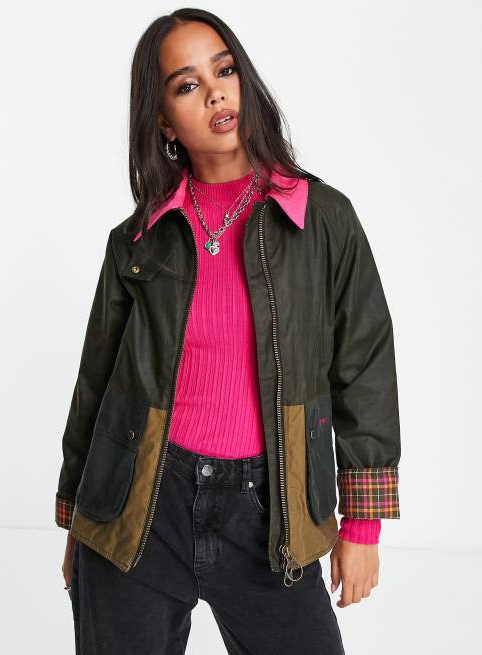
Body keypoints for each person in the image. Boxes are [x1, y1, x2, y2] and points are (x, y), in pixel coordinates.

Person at [55, 7, 401, 654]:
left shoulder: (321, 220)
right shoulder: (137, 239)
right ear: (164, 122)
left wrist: (363, 525)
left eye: (225, 70)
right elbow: (95, 385)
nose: (215, 92)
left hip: (270, 511)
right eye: (187, 85)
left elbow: (364, 367)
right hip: (139, 506)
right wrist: (80, 521)